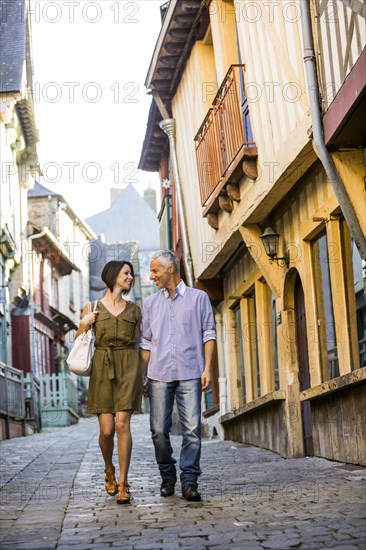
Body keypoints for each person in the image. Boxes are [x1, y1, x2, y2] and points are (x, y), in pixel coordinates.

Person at [140, 250, 216, 502]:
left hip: (191, 371)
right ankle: (167, 475)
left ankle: (189, 481)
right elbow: (146, 342)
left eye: (155, 271)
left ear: (170, 269)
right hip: (158, 374)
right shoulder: (150, 304)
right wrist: (143, 376)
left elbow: (208, 334)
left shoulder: (199, 298)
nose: (152, 276)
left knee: (192, 430)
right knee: (158, 431)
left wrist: (207, 369)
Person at [75, 260, 142, 504]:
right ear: (113, 275)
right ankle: (109, 468)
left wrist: (140, 375)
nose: (130, 277)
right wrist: (84, 324)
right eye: (126, 273)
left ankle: (123, 483)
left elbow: (137, 343)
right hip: (102, 369)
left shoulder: (134, 310)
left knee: (123, 424)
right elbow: (79, 340)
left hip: (128, 368)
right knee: (107, 430)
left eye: (132, 274)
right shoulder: (92, 307)